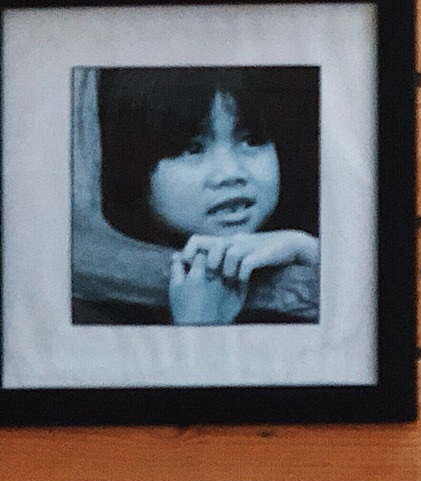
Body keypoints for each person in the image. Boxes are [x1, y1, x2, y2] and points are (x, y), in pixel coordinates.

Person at [72, 66, 320, 326]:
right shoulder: (88, 308)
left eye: (250, 140)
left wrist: (307, 250)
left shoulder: (302, 250)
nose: (230, 173)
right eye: (192, 149)